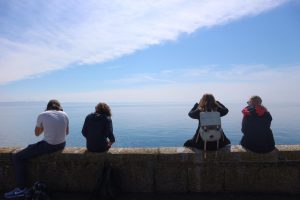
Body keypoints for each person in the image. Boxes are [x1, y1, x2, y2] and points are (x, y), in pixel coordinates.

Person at [4, 100, 69, 199]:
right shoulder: (65, 114)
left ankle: (21, 189)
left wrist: (44, 125)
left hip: (49, 145)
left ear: (47, 107)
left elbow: (37, 134)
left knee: (17, 156)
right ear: (59, 107)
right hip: (62, 145)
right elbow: (66, 132)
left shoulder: (42, 115)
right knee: (32, 147)